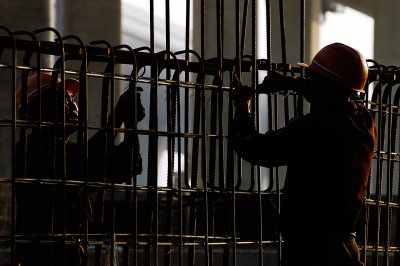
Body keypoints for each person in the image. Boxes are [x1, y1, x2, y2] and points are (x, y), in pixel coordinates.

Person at [231, 42, 377, 266]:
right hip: (346, 247)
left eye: (313, 78)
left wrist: (242, 110)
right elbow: (333, 94)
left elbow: (257, 149)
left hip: (310, 248)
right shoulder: (364, 123)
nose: (310, 83)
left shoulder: (312, 128)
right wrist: (294, 83)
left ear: (324, 86)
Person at [15, 72, 145, 265]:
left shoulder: (67, 151)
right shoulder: (31, 151)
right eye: (63, 98)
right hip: (43, 256)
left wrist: (130, 124)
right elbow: (83, 161)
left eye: (71, 98)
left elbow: (128, 165)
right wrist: (116, 118)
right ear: (37, 111)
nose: (73, 105)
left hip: (71, 252)